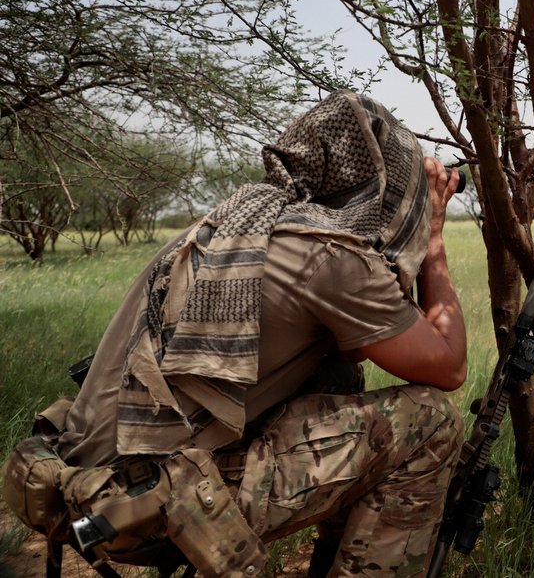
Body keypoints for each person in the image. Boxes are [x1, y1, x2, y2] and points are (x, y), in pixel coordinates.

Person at [47, 90, 467, 576]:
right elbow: (449, 367)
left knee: (337, 381)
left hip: (79, 483)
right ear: (391, 188)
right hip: (140, 506)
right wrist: (433, 239)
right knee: (433, 422)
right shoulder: (330, 258)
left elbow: (346, 358)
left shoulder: (239, 224)